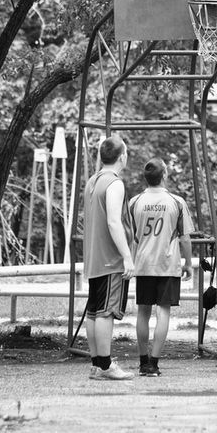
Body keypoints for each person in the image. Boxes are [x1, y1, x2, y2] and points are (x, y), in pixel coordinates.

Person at [127, 158, 194, 377]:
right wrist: (188, 264)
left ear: (145, 178)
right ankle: (154, 364)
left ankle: (142, 362)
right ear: (165, 174)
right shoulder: (176, 202)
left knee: (143, 312)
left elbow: (130, 236)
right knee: (163, 311)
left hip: (143, 264)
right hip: (167, 264)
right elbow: (185, 238)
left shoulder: (135, 202)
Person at [83, 135, 136, 381]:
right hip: (110, 257)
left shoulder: (92, 181)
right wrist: (127, 256)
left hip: (94, 257)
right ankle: (105, 366)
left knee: (94, 312)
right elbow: (114, 221)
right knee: (106, 312)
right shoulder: (115, 184)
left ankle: (96, 364)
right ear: (122, 156)